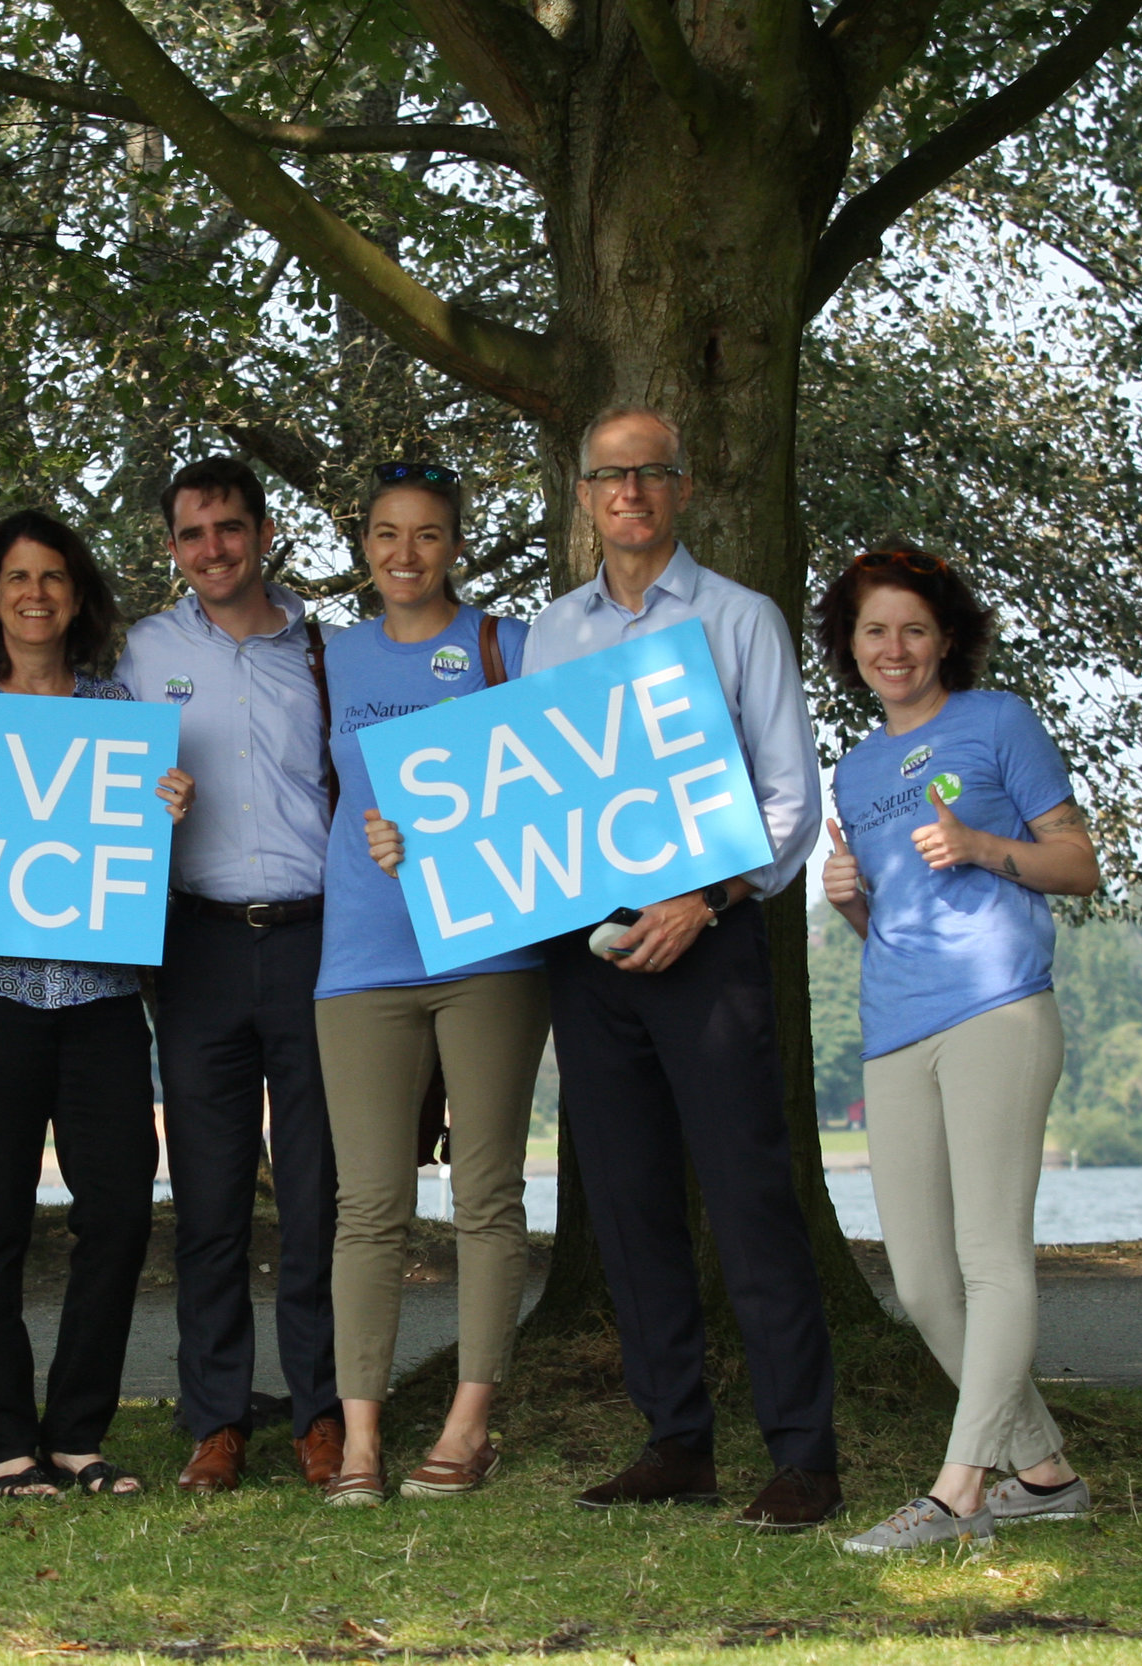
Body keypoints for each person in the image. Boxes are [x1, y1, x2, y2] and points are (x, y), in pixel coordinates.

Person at [519, 407, 840, 1527]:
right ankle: (675, 1441)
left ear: (683, 487)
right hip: (590, 953)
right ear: (584, 493)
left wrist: (699, 901)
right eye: (610, 474)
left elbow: (789, 801)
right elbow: (531, 797)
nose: (631, 491)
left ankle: (803, 1454)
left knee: (749, 1199)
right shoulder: (547, 637)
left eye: (652, 471)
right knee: (627, 1204)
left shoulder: (740, 619)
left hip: (707, 940)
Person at [814, 542, 1099, 1553]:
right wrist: (851, 904)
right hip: (894, 1027)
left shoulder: (996, 722)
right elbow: (896, 920)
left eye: (914, 629)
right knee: (924, 1280)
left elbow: (1078, 862)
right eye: (873, 630)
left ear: (946, 639)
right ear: (850, 647)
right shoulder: (850, 770)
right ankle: (1045, 1471)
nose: (894, 648)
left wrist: (983, 847)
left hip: (998, 1010)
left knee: (987, 1254)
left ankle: (958, 1492)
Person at [0, 511, 193, 1497]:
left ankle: (78, 1433)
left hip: (100, 1000)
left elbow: (143, 887)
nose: (35, 594)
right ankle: (3, 1439)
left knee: (118, 1211)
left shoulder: (122, 717)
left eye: (54, 578)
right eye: (16, 578)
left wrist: (165, 818)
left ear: (77, 598)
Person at [113, 456, 345, 1493]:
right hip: (196, 944)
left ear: (263, 531)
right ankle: (214, 1420)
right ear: (172, 546)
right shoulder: (142, 651)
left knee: (314, 1195)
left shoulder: (328, 653)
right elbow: (70, 757)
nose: (214, 548)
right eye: (192, 532)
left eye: (230, 528)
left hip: (315, 939)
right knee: (207, 1200)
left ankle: (320, 1412)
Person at [322, 464, 551, 1505]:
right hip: (360, 957)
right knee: (367, 1202)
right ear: (362, 544)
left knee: (483, 1196)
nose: (403, 554)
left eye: (425, 536)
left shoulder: (509, 647)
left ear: (456, 545)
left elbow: (557, 782)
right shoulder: (328, 654)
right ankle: (361, 1441)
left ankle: (467, 1423)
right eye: (384, 534)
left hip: (488, 954)